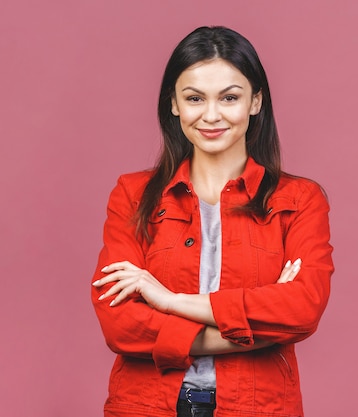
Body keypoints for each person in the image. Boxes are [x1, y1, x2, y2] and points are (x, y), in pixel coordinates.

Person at [91, 26, 334, 417]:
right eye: (194, 98)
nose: (211, 115)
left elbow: (302, 309)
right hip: (146, 406)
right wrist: (254, 331)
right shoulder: (132, 195)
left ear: (256, 101)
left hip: (257, 406)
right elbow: (120, 324)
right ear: (174, 104)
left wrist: (171, 302)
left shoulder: (299, 200)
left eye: (230, 97)